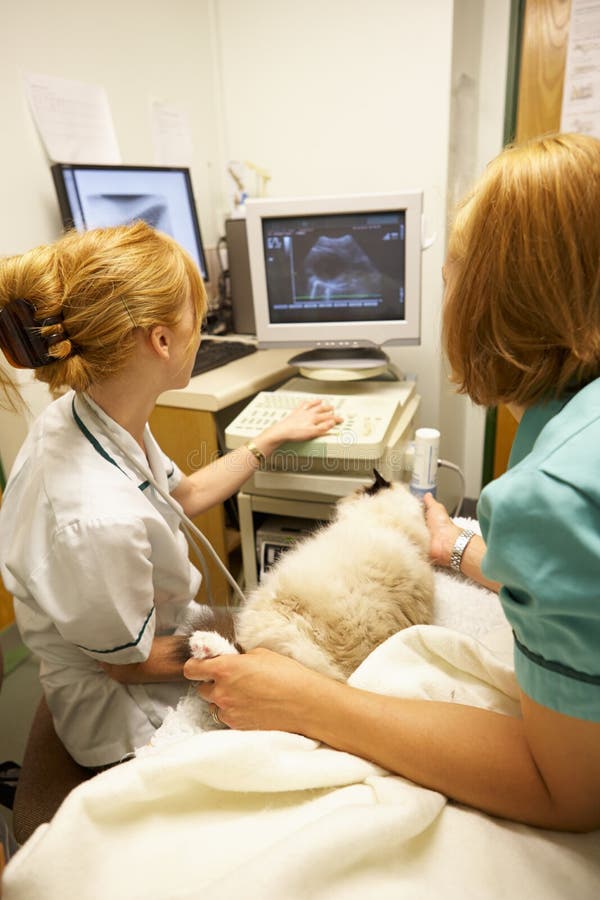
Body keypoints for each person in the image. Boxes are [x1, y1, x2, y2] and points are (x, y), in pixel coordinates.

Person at [183, 133, 600, 832]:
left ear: (492, 303)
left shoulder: (552, 492)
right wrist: (462, 551)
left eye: (454, 273)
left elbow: (568, 792)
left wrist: (305, 698)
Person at [0, 221, 342, 768]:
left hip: (161, 634)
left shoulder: (93, 412)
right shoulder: (95, 517)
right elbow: (124, 666)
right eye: (196, 319)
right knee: (312, 750)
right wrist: (253, 652)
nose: (200, 333)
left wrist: (270, 439)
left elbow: (182, 494)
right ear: (161, 341)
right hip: (125, 716)